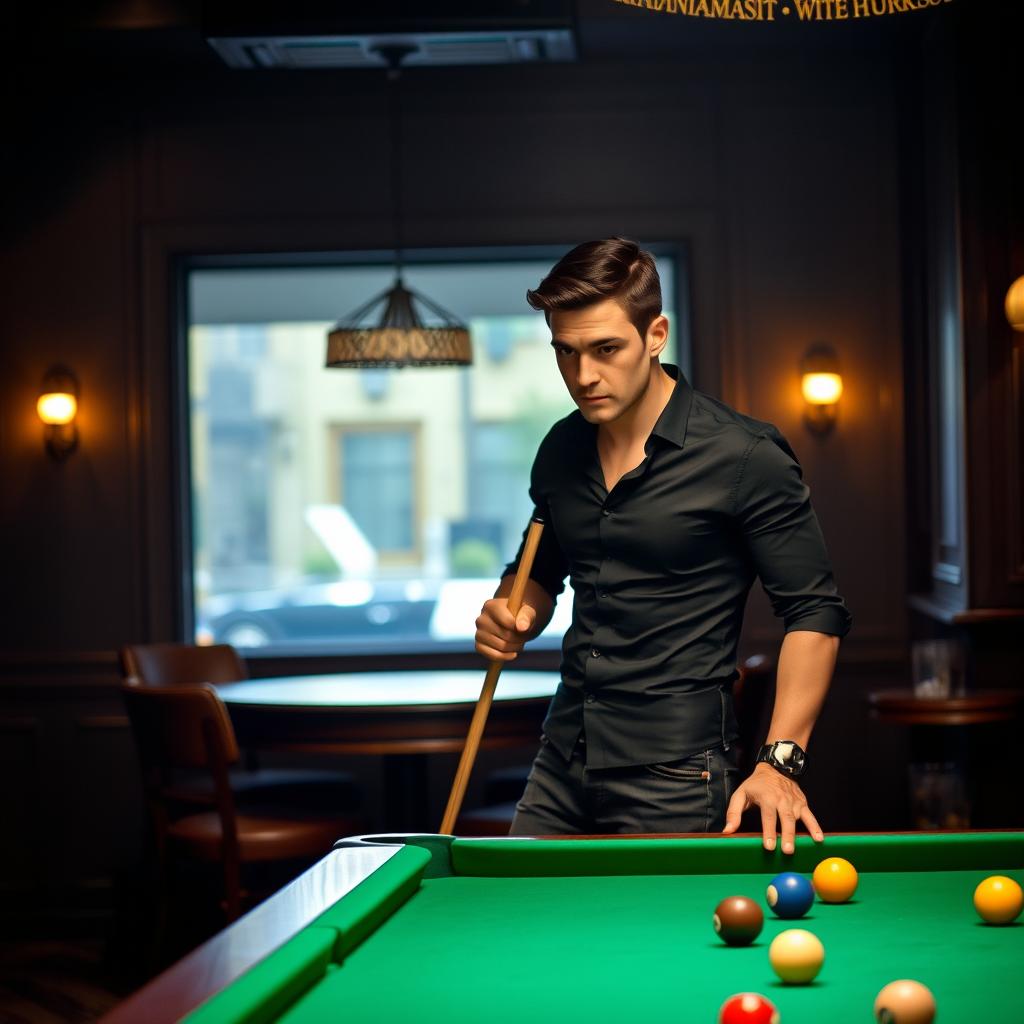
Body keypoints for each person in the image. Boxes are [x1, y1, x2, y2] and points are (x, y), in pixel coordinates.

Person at [474, 237, 852, 854]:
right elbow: (537, 572)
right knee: (515, 932)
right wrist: (511, 613)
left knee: (656, 949)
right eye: (564, 353)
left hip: (676, 772)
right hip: (562, 755)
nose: (583, 375)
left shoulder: (744, 456)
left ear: (656, 335)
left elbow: (816, 613)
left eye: (605, 349)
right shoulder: (561, 448)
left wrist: (780, 763)